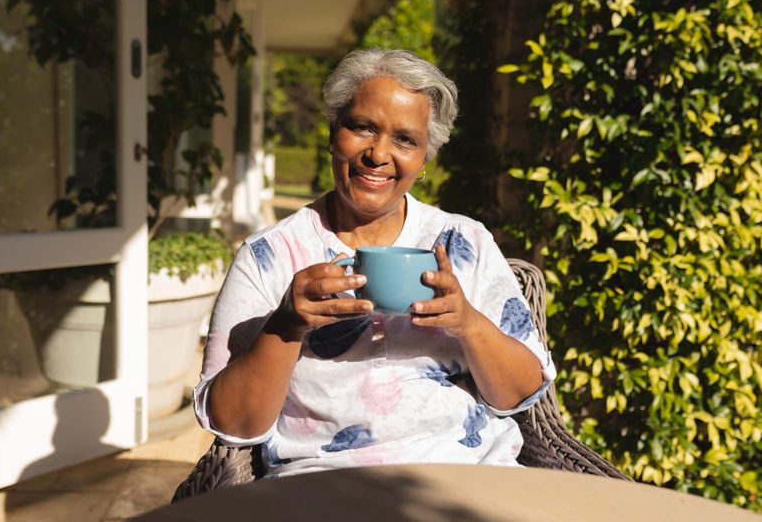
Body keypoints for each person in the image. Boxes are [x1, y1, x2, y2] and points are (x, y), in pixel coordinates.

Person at [194, 48, 556, 477]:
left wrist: (467, 323)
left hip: (469, 477)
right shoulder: (268, 255)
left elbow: (521, 393)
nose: (378, 154)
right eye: (363, 127)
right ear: (333, 134)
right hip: (323, 488)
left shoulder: (464, 242)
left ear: (424, 160)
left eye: (405, 140)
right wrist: (286, 325)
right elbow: (231, 425)